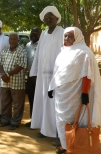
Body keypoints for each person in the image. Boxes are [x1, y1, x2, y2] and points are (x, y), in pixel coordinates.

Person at [48, 27, 101, 153]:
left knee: (74, 122)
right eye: (65, 36)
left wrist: (84, 93)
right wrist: (52, 86)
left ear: (77, 37)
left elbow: (87, 74)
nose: (66, 39)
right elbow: (57, 73)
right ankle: (65, 145)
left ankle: (75, 146)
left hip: (75, 95)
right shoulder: (63, 51)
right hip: (61, 95)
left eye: (70, 36)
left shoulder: (84, 52)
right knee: (62, 121)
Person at [29, 6, 64, 140]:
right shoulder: (43, 34)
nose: (49, 19)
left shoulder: (62, 32)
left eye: (51, 17)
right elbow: (38, 54)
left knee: (56, 104)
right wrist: (34, 72)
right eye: (46, 18)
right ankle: (45, 129)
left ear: (57, 18)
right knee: (43, 102)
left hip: (57, 76)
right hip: (43, 77)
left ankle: (58, 134)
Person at [0, 33, 27, 130]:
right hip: (4, 81)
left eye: (14, 39)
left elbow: (20, 66)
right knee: (5, 102)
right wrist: (2, 74)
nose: (12, 41)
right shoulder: (4, 50)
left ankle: (15, 122)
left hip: (17, 83)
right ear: (8, 40)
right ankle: (5, 120)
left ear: (18, 40)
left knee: (17, 104)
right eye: (11, 39)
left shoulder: (22, 51)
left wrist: (8, 75)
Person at [25, 27, 42, 127]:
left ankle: (41, 121)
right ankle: (33, 120)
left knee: (40, 99)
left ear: (41, 35)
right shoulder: (27, 45)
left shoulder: (43, 45)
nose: (34, 35)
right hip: (30, 77)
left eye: (36, 33)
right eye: (32, 33)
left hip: (40, 77)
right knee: (31, 99)